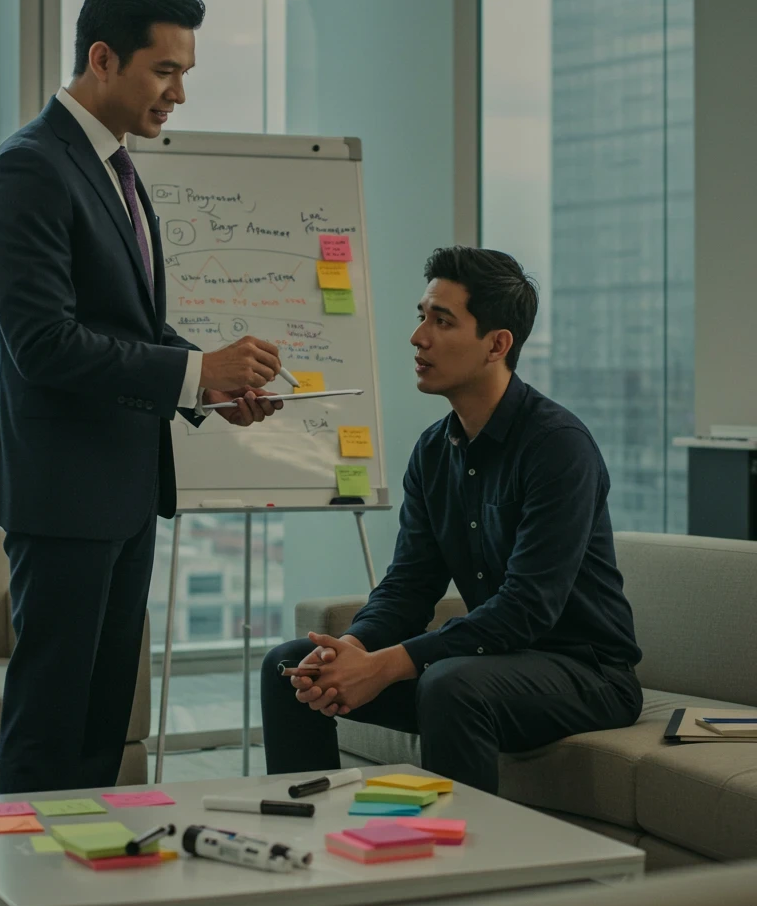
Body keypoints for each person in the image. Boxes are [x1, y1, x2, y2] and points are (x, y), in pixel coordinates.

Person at [0, 0, 283, 794]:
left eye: (186, 72)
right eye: (165, 70)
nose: (179, 92)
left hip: (121, 488)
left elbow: (126, 331)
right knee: (52, 721)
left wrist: (211, 385)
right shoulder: (29, 169)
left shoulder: (116, 168)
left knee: (102, 720)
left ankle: (84, 897)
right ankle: (29, 903)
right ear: (103, 58)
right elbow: (42, 344)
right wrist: (192, 370)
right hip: (63, 494)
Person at [262, 245, 643, 794]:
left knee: (450, 684)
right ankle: (306, 846)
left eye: (442, 322)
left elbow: (525, 609)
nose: (419, 337)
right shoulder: (434, 450)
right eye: (422, 317)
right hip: (490, 665)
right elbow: (409, 585)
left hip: (585, 674)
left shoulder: (558, 447)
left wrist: (390, 665)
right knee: (294, 667)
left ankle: (458, 870)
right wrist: (356, 651)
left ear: (497, 344)